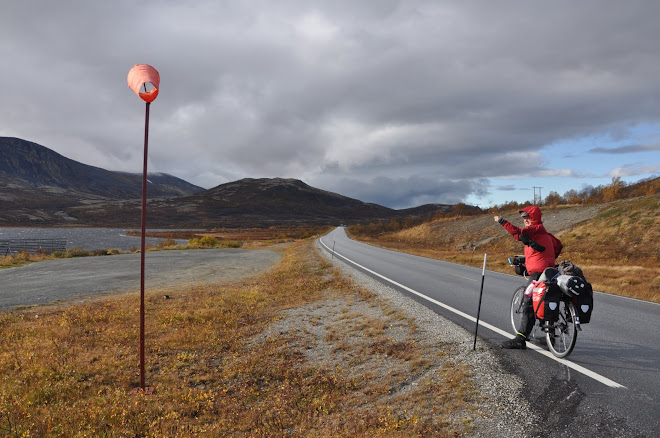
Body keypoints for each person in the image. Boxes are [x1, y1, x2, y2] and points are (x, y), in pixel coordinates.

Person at [494, 205, 563, 349]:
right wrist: (548, 258)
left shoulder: (533, 230)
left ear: (534, 218)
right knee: (546, 300)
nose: (525, 220)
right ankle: (549, 337)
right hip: (551, 271)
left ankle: (521, 338)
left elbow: (517, 233)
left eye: (528, 217)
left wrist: (501, 221)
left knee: (528, 300)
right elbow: (558, 245)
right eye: (524, 218)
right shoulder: (544, 234)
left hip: (538, 273)